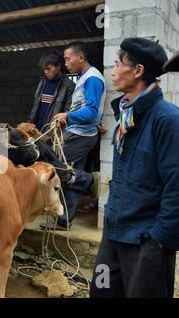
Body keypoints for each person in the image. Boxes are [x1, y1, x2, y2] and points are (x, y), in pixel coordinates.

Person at [90, 38, 179, 298]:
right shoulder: (125, 115)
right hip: (114, 234)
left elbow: (177, 186)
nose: (113, 71)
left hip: (146, 243)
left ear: (138, 71)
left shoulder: (167, 119)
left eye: (118, 65)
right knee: (102, 291)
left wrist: (159, 240)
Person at [45, 42, 106, 230]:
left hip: (81, 136)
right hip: (77, 133)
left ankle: (89, 180)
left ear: (80, 58)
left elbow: (91, 113)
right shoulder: (83, 78)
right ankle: (64, 220)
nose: (66, 63)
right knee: (69, 180)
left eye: (67, 59)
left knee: (57, 167)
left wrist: (67, 116)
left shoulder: (92, 79)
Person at [29, 51, 75, 133]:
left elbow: (68, 111)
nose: (46, 72)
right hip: (36, 130)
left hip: (53, 132)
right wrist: (30, 124)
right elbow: (36, 107)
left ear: (59, 66)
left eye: (49, 68)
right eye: (44, 69)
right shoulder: (42, 82)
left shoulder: (69, 85)